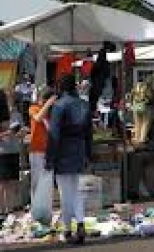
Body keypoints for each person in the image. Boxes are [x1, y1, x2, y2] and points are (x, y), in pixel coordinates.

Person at [46, 74, 92, 245]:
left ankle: (67, 230)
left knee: (65, 193)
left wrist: (50, 158)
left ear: (60, 87)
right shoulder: (84, 104)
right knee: (77, 190)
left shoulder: (58, 106)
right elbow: (89, 134)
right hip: (79, 149)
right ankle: (80, 223)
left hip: (63, 151)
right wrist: (88, 154)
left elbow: (54, 135)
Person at [28, 86, 57, 206]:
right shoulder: (33, 108)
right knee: (37, 180)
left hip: (49, 150)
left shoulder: (51, 112)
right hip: (36, 150)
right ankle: (35, 206)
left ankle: (46, 206)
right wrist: (48, 104)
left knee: (48, 180)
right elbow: (38, 117)